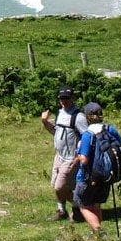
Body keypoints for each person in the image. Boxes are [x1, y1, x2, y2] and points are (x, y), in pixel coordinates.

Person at [71, 100, 121, 235]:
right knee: (96, 204)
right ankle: (97, 236)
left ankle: (99, 232)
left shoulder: (88, 134)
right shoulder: (110, 129)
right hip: (107, 177)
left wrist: (77, 158)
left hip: (88, 177)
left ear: (87, 116)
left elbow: (84, 159)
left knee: (83, 205)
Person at [41, 87, 89, 221]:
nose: (64, 101)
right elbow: (55, 132)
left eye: (67, 98)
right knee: (56, 185)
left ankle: (80, 207)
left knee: (59, 186)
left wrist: (79, 156)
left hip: (71, 158)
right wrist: (44, 122)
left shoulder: (78, 117)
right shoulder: (60, 113)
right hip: (59, 156)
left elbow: (86, 137)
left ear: (73, 98)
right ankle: (63, 211)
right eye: (62, 98)